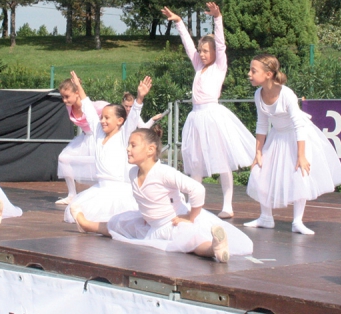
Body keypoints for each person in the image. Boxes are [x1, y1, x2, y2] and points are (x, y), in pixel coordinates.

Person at [70, 128, 253, 263]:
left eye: (133, 145)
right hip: (150, 224)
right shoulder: (133, 173)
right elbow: (146, 200)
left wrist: (191, 216)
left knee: (192, 240)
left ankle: (216, 248)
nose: (128, 149)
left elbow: (198, 189)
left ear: (150, 150)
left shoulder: (164, 172)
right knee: (118, 223)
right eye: (128, 145)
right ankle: (85, 224)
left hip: (173, 221)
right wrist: (146, 217)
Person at [161, 2, 257, 218]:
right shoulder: (198, 66)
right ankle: (197, 205)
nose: (202, 54)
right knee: (195, 163)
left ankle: (228, 205)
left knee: (222, 161)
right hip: (196, 117)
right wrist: (178, 22)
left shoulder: (219, 66)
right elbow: (188, 46)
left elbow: (221, 44)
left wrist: (217, 18)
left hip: (213, 115)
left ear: (214, 53)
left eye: (206, 51)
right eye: (201, 51)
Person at [245, 54, 341, 234]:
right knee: (260, 171)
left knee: (299, 174)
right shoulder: (258, 95)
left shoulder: (286, 94)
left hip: (297, 136)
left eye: (253, 71)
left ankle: (297, 222)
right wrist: (258, 152)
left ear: (268, 74)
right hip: (277, 136)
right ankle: (266, 217)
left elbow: (299, 125)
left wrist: (301, 155)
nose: (249, 74)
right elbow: (262, 124)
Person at [63, 71, 151, 224]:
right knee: (77, 212)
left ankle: (91, 226)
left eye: (107, 118)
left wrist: (140, 98)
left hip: (119, 191)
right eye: (102, 117)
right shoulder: (98, 132)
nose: (102, 120)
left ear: (119, 120)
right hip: (100, 189)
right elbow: (88, 107)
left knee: (119, 220)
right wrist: (78, 86)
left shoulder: (124, 135)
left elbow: (134, 117)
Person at [56, 79, 109, 205]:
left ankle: (104, 195)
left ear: (77, 93)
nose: (64, 100)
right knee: (63, 158)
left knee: (100, 166)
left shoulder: (95, 106)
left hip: (98, 138)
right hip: (85, 139)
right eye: (62, 97)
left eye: (67, 97)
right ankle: (71, 195)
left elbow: (115, 112)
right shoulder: (69, 107)